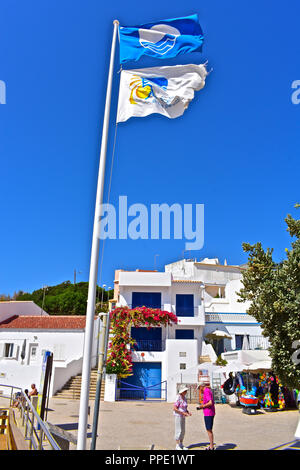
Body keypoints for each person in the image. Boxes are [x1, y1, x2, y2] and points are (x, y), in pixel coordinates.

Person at [197, 380, 216, 450]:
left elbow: (210, 402)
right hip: (209, 412)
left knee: (209, 430)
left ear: (202, 386)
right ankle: (211, 446)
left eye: (199, 388)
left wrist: (202, 406)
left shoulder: (206, 391)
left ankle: (211, 446)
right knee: (209, 429)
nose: (199, 390)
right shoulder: (207, 391)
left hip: (209, 413)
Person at [173, 386, 192, 450]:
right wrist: (182, 413)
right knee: (178, 430)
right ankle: (177, 445)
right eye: (185, 391)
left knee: (183, 430)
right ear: (182, 392)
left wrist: (187, 412)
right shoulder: (178, 398)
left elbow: (185, 408)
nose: (186, 392)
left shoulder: (184, 398)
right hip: (178, 416)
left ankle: (181, 444)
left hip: (183, 416)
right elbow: (175, 408)